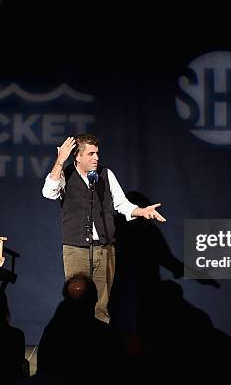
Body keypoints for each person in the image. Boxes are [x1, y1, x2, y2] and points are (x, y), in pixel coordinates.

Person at [42, 134, 166, 323]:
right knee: (76, 303)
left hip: (105, 249)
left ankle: (100, 346)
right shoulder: (65, 175)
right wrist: (59, 162)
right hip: (76, 250)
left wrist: (141, 211)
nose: (96, 158)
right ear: (78, 156)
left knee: (101, 304)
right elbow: (48, 192)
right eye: (91, 154)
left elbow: (122, 204)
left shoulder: (106, 174)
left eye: (97, 153)